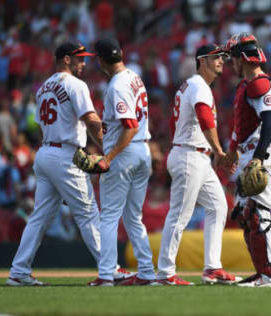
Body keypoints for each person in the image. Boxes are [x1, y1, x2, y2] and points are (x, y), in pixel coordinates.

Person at [6, 42, 132, 286]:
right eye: (79, 58)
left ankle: (19, 271)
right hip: (66, 155)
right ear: (65, 59)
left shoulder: (43, 88)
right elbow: (92, 121)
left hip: (45, 153)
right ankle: (111, 268)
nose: (83, 63)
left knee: (39, 218)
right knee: (88, 215)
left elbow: (42, 122)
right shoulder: (75, 84)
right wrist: (109, 151)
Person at [156, 44, 240, 286]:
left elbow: (181, 124)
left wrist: (212, 154)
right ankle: (165, 272)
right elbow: (204, 118)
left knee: (218, 205)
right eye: (216, 57)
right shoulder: (198, 85)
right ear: (202, 60)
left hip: (196, 155)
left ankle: (212, 268)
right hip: (189, 156)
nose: (222, 61)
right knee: (179, 215)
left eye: (223, 57)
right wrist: (220, 152)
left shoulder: (194, 86)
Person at [87, 38, 157, 286]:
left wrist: (108, 157)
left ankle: (106, 274)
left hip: (125, 153)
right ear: (122, 54)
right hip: (142, 152)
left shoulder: (116, 85)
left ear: (100, 60)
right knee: (133, 217)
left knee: (109, 216)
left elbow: (129, 126)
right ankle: (147, 272)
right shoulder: (134, 76)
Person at [224, 33, 271, 288]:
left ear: (243, 58)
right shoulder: (245, 86)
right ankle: (261, 272)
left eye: (233, 59)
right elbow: (241, 128)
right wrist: (232, 153)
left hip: (266, 153)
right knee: (243, 214)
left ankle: (269, 275)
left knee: (257, 213)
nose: (231, 64)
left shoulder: (261, 84)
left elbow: (269, 121)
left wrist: (258, 158)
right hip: (249, 154)